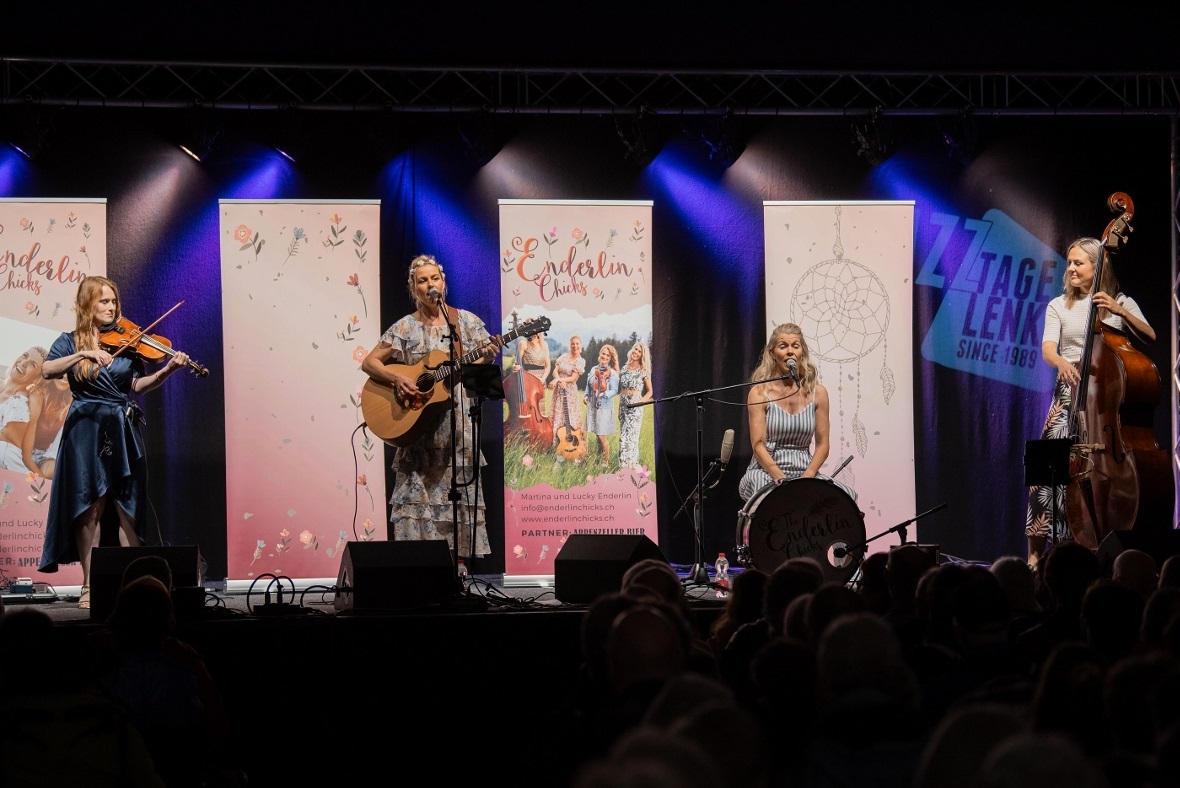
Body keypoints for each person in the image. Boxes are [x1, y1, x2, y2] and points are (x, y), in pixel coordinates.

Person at [37, 277, 192, 610]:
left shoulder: (129, 341)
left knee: (127, 508)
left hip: (122, 428)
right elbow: (48, 369)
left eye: (113, 303)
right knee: (88, 509)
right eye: (103, 302)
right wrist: (85, 353)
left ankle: (134, 586)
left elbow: (138, 385)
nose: (111, 308)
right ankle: (89, 585)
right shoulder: (69, 342)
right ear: (87, 306)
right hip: (84, 431)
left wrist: (167, 370)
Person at [1025, 236, 1155, 567]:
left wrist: (1117, 310)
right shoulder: (1059, 305)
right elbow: (1048, 348)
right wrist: (1061, 363)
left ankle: (1090, 546)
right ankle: (1035, 555)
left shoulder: (1120, 301)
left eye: (1078, 262)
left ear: (1098, 268)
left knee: (1095, 474)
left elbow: (1150, 336)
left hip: (1105, 404)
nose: (1070, 268)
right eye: (1069, 262)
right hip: (1068, 395)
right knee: (1044, 469)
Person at [360, 254, 501, 560]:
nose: (429, 284)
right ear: (414, 287)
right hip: (417, 430)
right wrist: (397, 377)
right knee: (418, 505)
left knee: (457, 502)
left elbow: (473, 370)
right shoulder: (405, 327)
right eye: (422, 280)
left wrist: (486, 356)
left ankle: (458, 573)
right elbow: (369, 362)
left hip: (457, 429)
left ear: (443, 282)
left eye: (434, 278)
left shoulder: (465, 323)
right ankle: (421, 570)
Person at [736, 322, 856, 503]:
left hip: (805, 471)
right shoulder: (760, 392)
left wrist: (808, 477)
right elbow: (758, 445)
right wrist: (781, 479)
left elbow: (823, 445)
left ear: (802, 353)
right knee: (772, 499)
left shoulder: (818, 393)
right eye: (783, 346)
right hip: (766, 471)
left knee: (845, 496)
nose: (790, 351)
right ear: (772, 354)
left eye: (795, 346)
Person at [0, 345, 47, 472]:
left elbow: (10, 438)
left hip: (7, 466)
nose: (24, 363)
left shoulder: (20, 401)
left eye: (32, 364)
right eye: (25, 356)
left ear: (37, 378)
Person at [21, 375, 72, 478]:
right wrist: (42, 482)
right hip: (23, 452)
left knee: (58, 470)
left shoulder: (69, 402)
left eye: (70, 373)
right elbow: (26, 457)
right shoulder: (38, 394)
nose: (66, 377)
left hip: (43, 456)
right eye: (62, 371)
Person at [549, 334, 587, 458]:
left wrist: (558, 380)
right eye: (573, 343)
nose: (575, 346)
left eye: (577, 344)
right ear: (570, 345)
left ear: (580, 346)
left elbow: (573, 378)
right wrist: (558, 380)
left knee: (571, 419)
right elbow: (555, 370)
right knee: (557, 416)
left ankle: (577, 448)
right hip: (559, 391)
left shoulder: (580, 361)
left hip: (570, 392)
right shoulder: (564, 357)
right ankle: (557, 447)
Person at [617, 341, 653, 471]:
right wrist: (619, 409)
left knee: (627, 437)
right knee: (627, 437)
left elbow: (650, 392)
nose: (636, 352)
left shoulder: (643, 371)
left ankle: (623, 468)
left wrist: (640, 402)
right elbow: (622, 390)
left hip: (635, 405)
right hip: (624, 404)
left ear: (642, 355)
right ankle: (631, 466)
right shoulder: (624, 368)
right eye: (635, 349)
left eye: (639, 351)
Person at [584, 344, 619, 466]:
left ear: (610, 358)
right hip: (593, 406)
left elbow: (614, 390)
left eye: (607, 355)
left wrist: (603, 394)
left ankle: (605, 462)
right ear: (600, 354)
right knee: (596, 434)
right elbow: (588, 385)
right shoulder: (594, 369)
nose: (604, 356)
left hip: (604, 407)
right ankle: (598, 459)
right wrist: (586, 396)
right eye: (603, 353)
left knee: (601, 435)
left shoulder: (613, 373)